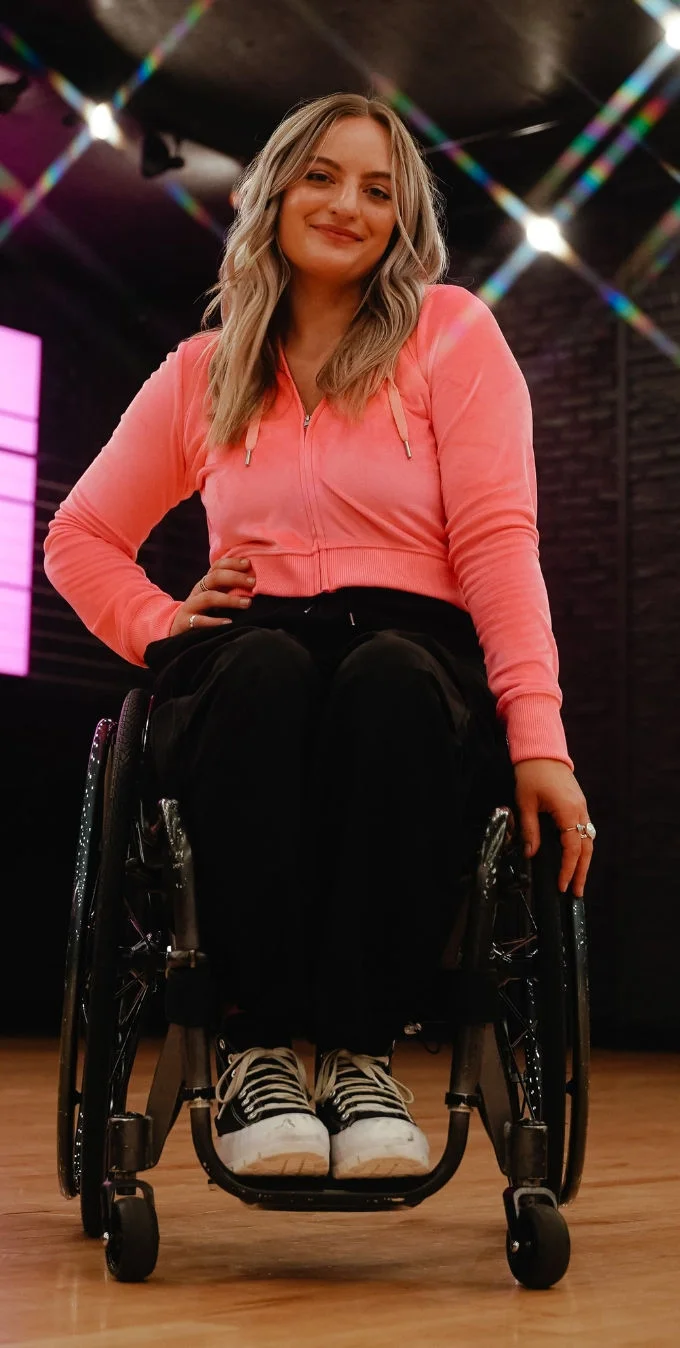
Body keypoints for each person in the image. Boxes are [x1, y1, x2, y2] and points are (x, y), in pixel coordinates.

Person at [44, 90, 595, 1183]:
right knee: (261, 669)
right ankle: (255, 1050)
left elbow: (495, 539)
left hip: (410, 653)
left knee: (389, 680)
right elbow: (81, 536)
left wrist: (538, 736)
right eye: (323, 176)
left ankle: (357, 1052)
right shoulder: (202, 374)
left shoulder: (449, 332)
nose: (348, 204)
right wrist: (159, 625)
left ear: (401, 220)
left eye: (378, 189)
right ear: (276, 190)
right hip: (251, 653)